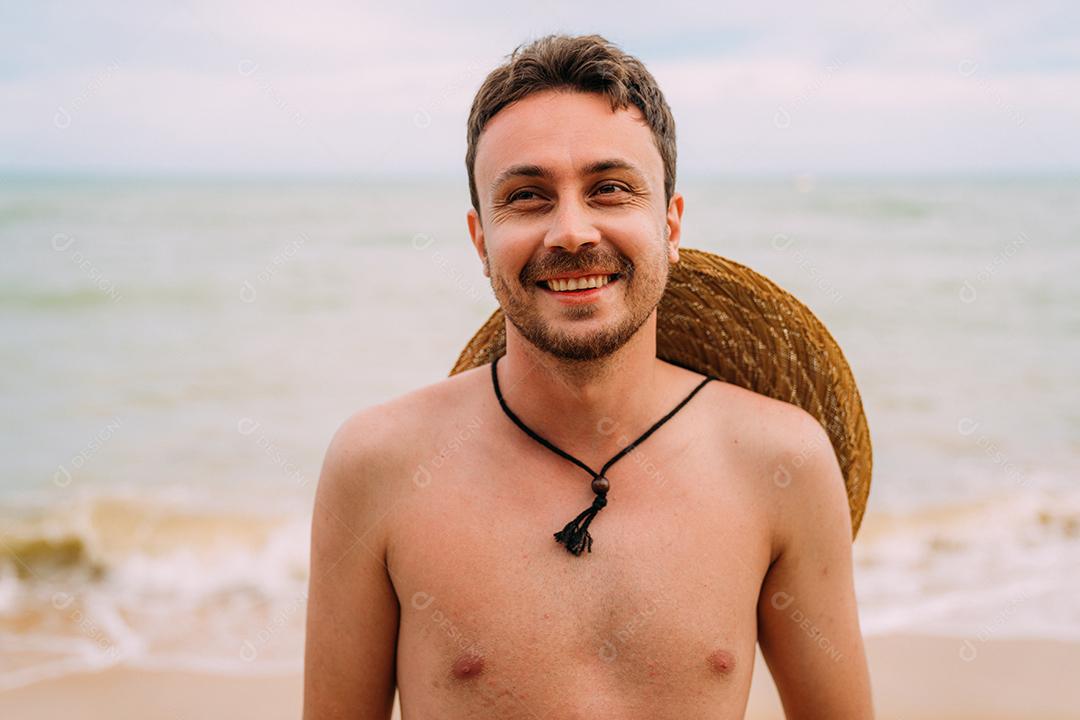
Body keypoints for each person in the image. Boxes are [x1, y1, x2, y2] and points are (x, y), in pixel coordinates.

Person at [303, 33, 874, 719]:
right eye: (527, 196)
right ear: (480, 239)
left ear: (670, 223)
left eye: (609, 189)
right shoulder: (378, 467)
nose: (571, 231)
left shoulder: (782, 462)